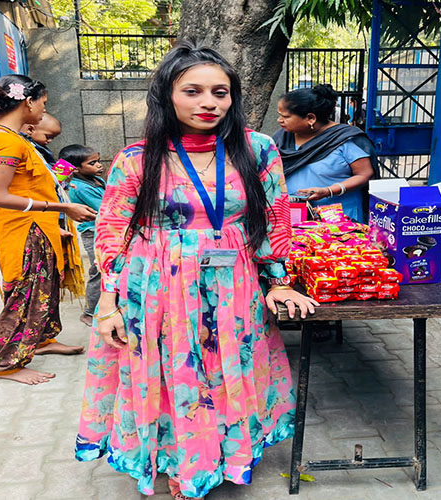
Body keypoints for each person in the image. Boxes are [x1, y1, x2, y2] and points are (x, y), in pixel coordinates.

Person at [75, 40, 317, 500]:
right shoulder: (137, 158)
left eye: (220, 92)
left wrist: (280, 281)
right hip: (158, 286)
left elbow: (274, 217)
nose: (209, 102)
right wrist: (108, 304)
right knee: (174, 372)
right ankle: (182, 464)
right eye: (193, 91)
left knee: (227, 369)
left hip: (233, 284)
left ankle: (224, 454)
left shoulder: (257, 148)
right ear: (167, 95)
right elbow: (113, 231)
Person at [0, 74, 97, 385]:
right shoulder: (6, 141)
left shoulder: (8, 135)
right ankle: (8, 363)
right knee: (26, 293)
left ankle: (43, 339)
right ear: (28, 102)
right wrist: (62, 208)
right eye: (43, 103)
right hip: (23, 230)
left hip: (38, 227)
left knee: (45, 289)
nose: (44, 110)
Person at [274, 84, 379, 222]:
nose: (279, 120)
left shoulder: (345, 139)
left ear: (311, 118)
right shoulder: (281, 138)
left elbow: (365, 174)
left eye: (286, 116)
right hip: (292, 217)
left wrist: (329, 191)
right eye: (279, 115)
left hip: (339, 219)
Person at [63, 144, 105, 327]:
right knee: (99, 271)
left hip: (103, 229)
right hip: (93, 233)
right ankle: (89, 313)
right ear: (76, 169)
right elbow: (103, 208)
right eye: (92, 163)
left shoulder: (96, 180)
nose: (99, 165)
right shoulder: (79, 188)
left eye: (98, 161)